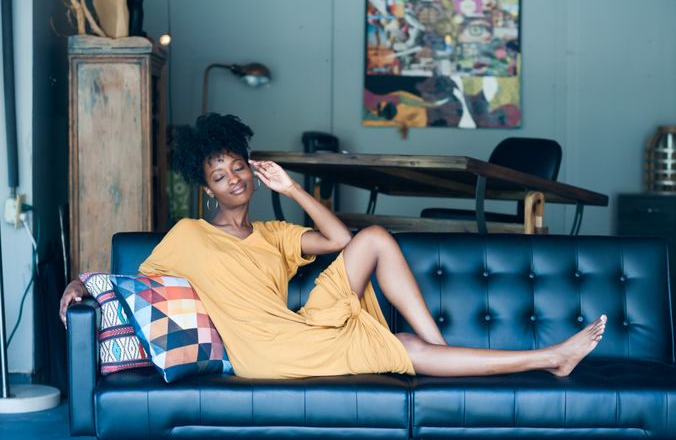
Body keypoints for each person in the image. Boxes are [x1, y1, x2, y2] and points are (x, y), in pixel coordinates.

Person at [59, 113, 607, 379]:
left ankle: (435, 349)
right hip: (268, 352)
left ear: (252, 171)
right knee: (404, 351)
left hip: (299, 327)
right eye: (220, 176)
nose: (233, 180)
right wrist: (78, 283)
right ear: (206, 189)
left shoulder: (273, 235)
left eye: (238, 169)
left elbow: (343, 241)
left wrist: (292, 187)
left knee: (373, 237)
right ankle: (551, 359)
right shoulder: (187, 236)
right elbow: (128, 277)